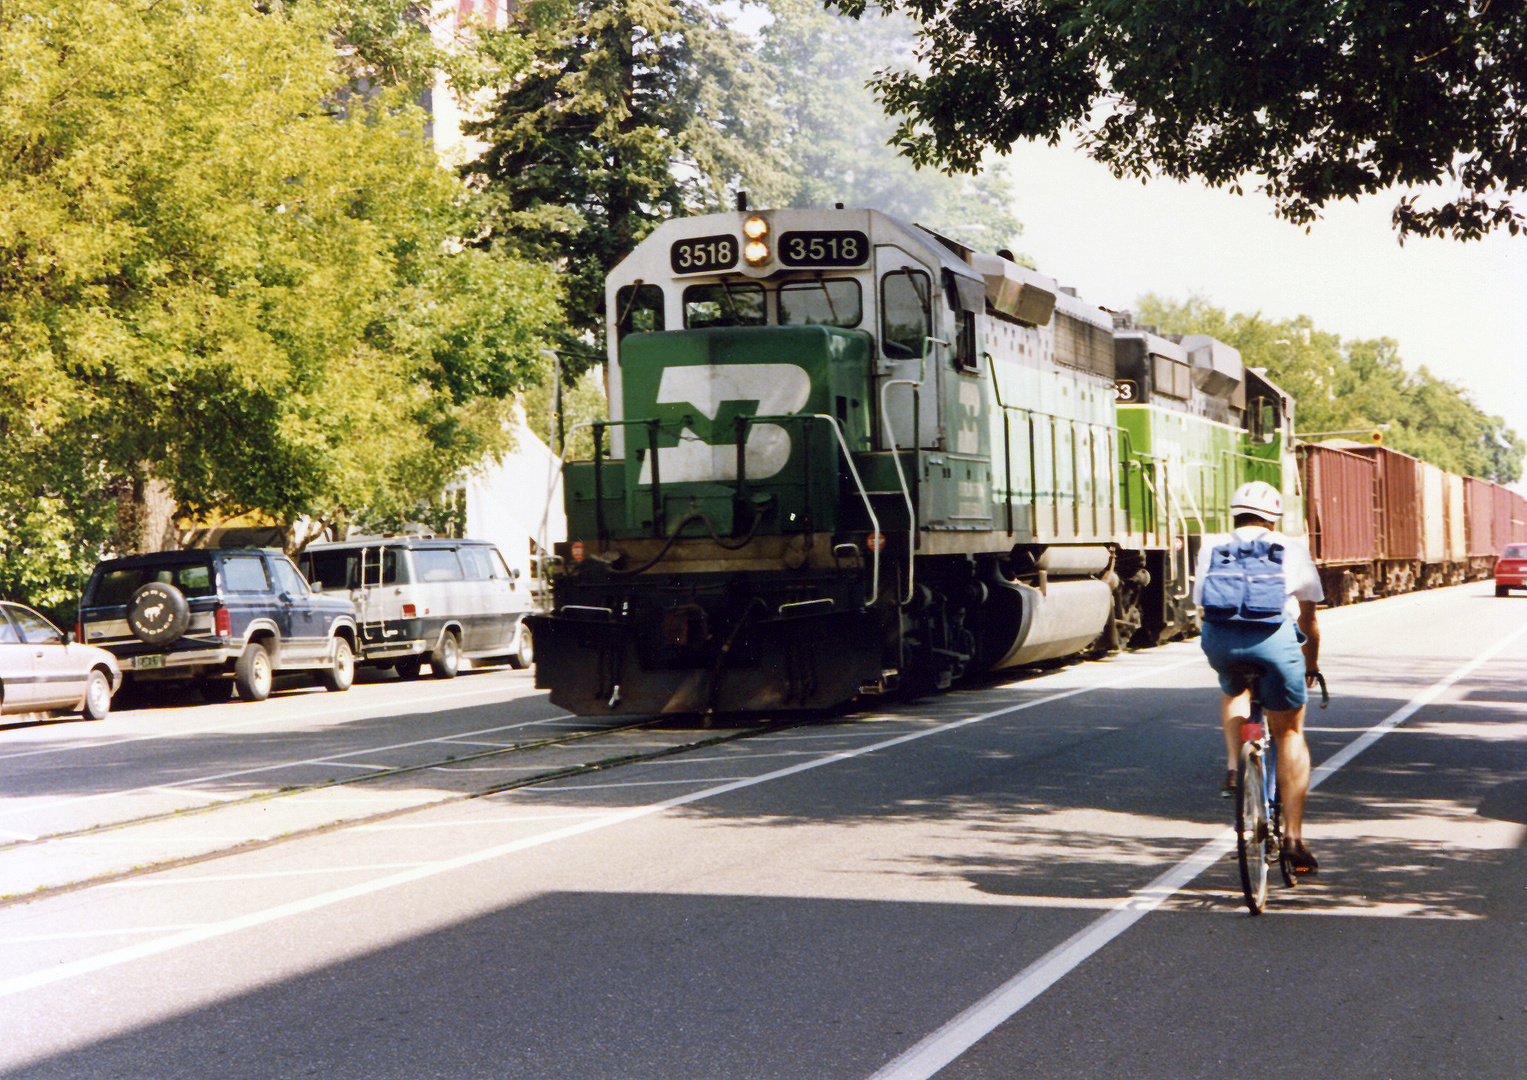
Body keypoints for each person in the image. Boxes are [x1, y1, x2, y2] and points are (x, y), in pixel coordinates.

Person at [1193, 480, 1324, 874]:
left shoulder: (1211, 546)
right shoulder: (1291, 548)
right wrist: (1311, 664)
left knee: (1233, 688)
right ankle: (1294, 839)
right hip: (1274, 644)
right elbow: (1309, 618)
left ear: (1233, 513)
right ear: (1273, 518)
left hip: (1220, 643)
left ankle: (1235, 766)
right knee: (1289, 732)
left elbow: (1202, 603)